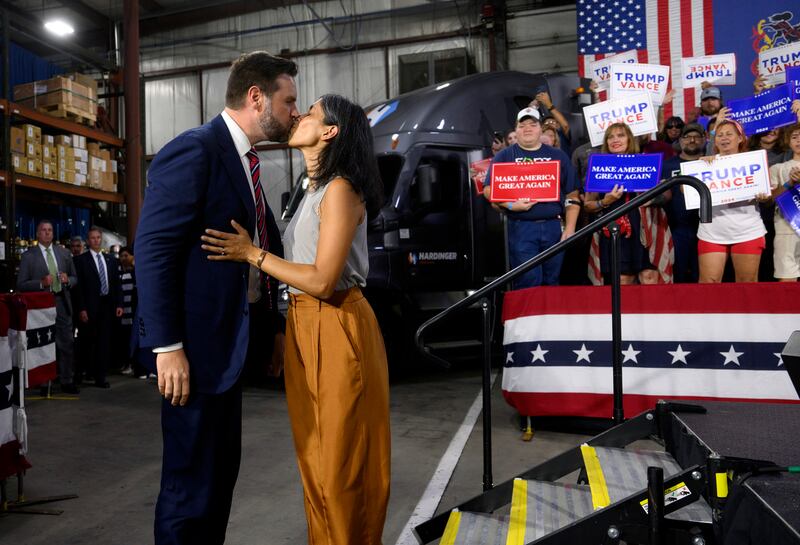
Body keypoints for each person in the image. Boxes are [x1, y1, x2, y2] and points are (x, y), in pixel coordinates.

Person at [201, 94, 390, 545]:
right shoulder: (310, 190)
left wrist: (252, 253)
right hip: (308, 323)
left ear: (330, 132)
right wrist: (286, 327)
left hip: (338, 321)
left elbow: (323, 279)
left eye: (311, 112)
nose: (300, 115)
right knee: (315, 459)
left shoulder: (342, 188)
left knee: (342, 463)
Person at [134, 51, 298, 545]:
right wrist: (167, 346)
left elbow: (263, 247)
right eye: (288, 100)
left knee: (219, 478)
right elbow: (153, 248)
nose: (295, 110)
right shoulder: (196, 150)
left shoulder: (246, 162)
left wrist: (273, 330)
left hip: (231, 349)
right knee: (189, 488)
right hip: (193, 353)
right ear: (256, 97)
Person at [481, 107, 580, 289]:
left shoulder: (558, 156)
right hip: (521, 227)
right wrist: (510, 205)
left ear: (540, 129)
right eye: (522, 125)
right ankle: (527, 317)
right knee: (528, 281)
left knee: (553, 281)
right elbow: (488, 190)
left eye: (532, 124)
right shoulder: (504, 156)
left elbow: (573, 194)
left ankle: (550, 317)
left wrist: (571, 227)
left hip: (553, 227)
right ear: (515, 130)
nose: (527, 128)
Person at [584, 123, 673, 285]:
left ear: (630, 139)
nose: (615, 140)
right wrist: (605, 201)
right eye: (610, 137)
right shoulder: (599, 166)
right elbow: (588, 205)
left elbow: (667, 194)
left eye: (620, 135)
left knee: (650, 277)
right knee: (623, 280)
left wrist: (652, 198)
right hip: (613, 230)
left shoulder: (646, 162)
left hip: (646, 228)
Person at [697, 119, 770, 283]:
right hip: (711, 232)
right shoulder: (705, 163)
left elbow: (768, 194)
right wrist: (699, 170)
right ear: (714, 140)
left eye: (729, 134)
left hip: (748, 231)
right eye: (719, 135)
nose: (724, 138)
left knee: (747, 284)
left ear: (740, 138)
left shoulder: (753, 162)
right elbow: (685, 189)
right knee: (708, 284)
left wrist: (765, 196)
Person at [16, 220, 79, 394]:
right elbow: (21, 284)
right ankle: (44, 383)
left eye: (50, 230)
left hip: (61, 302)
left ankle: (67, 380)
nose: (47, 233)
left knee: (66, 343)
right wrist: (41, 283)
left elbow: (75, 278)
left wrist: (68, 280)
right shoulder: (29, 256)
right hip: (41, 306)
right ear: (37, 234)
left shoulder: (64, 253)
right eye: (43, 230)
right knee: (43, 344)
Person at [72, 226, 123, 388]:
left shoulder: (111, 260)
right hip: (88, 307)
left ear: (101, 240)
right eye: (92, 238)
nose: (96, 240)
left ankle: (100, 377)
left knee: (104, 343)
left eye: (98, 238)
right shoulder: (80, 260)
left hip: (107, 306)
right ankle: (79, 374)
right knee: (85, 343)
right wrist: (81, 309)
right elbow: (78, 288)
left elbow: (116, 284)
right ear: (88, 241)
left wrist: (119, 304)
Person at [661, 123, 705, 283]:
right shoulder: (666, 165)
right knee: (677, 274)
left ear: (704, 140)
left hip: (707, 227)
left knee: (703, 275)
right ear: (680, 141)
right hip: (676, 228)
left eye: (697, 137)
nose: (692, 140)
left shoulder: (712, 163)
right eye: (687, 137)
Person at [769, 121, 800, 282]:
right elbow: (771, 197)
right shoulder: (777, 168)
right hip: (786, 228)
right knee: (787, 282)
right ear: (788, 141)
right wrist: (790, 184)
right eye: (795, 137)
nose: (799, 140)